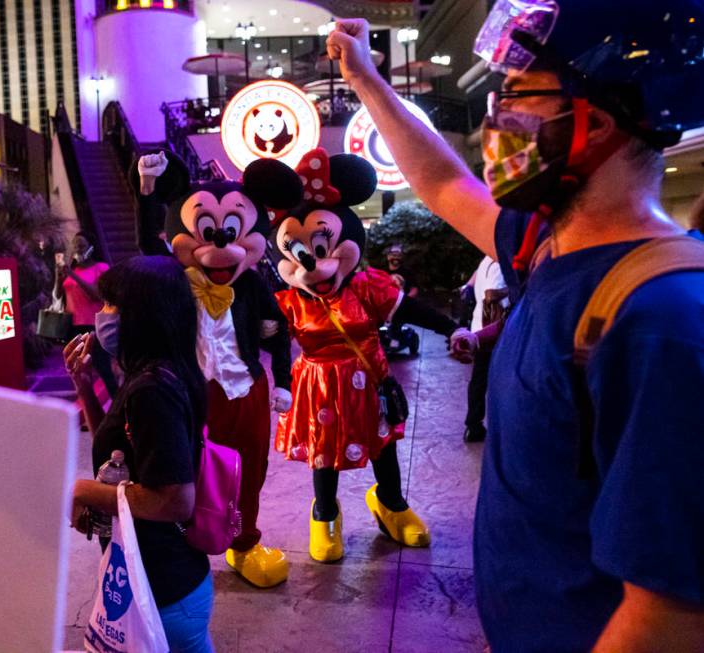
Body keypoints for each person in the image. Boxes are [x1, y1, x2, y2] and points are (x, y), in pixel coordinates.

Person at [327, 3, 704, 651]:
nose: (496, 119)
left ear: (597, 122)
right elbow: (446, 183)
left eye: (521, 95)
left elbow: (669, 613)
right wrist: (365, 79)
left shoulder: (662, 319)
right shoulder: (544, 244)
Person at [271, 147, 459, 561]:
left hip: (370, 379)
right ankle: (324, 514)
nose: (314, 267)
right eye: (299, 254)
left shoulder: (366, 286)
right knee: (324, 452)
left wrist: (453, 327)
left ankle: (390, 504)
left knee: (383, 446)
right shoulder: (289, 301)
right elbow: (259, 334)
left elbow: (410, 309)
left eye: (322, 248)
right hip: (318, 387)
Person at [132, 149, 299, 589]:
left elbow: (276, 332)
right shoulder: (172, 280)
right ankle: (183, 543)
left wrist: (283, 381)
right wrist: (147, 192)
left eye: (232, 233)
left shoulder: (253, 285)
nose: (221, 244)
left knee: (250, 468)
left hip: (246, 391)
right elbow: (149, 245)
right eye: (206, 232)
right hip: (189, 394)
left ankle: (242, 542)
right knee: (184, 471)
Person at [65, 256, 213, 653]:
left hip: (162, 589)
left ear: (144, 315)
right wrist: (84, 387)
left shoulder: (153, 389)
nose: (102, 314)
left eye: (113, 305)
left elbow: (175, 500)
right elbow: (119, 456)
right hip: (159, 580)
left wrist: (80, 491)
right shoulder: (157, 372)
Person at [55, 231, 117, 396]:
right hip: (72, 326)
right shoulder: (71, 271)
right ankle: (88, 404)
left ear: (91, 247)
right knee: (77, 369)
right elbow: (57, 296)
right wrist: (58, 276)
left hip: (93, 325)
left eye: (82, 245)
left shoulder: (101, 268)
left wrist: (72, 275)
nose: (78, 249)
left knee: (102, 367)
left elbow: (96, 294)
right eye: (75, 245)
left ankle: (117, 402)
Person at [460, 256, 507, 443]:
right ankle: (491, 427)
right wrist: (517, 288)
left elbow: (468, 287)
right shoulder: (499, 262)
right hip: (493, 332)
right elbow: (492, 294)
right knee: (496, 381)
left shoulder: (485, 260)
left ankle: (473, 425)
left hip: (480, 328)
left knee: (479, 380)